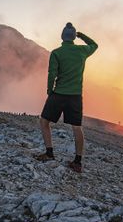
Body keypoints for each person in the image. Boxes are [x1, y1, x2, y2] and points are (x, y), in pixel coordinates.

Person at [35, 22, 98, 173]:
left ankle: (49, 153)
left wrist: (50, 91)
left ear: (62, 36)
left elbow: (52, 74)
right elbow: (94, 45)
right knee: (77, 127)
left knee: (44, 121)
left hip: (59, 94)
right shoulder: (82, 50)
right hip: (75, 96)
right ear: (73, 37)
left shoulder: (57, 53)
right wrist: (81, 35)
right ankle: (78, 162)